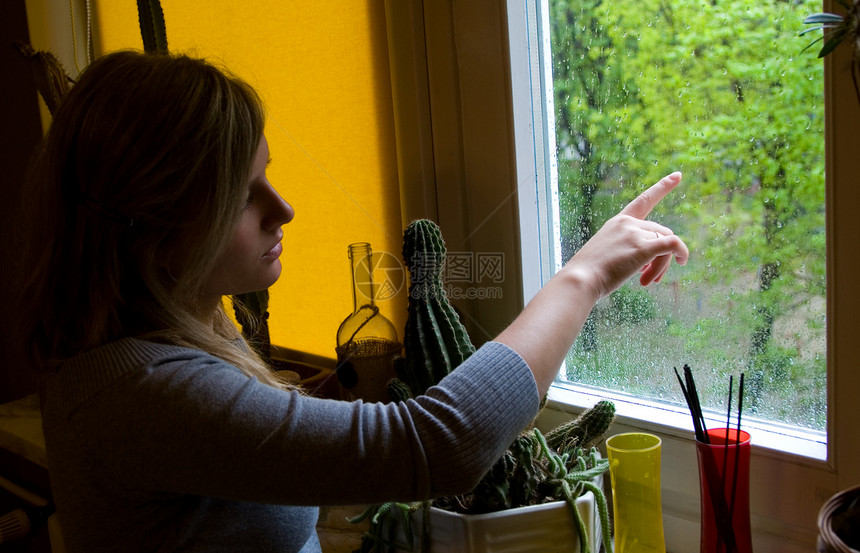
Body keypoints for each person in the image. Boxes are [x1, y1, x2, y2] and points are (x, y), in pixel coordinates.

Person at [17, 50, 688, 553]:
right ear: (153, 226)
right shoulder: (139, 393)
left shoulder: (152, 350)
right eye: (241, 194)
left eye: (267, 173)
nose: (282, 208)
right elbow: (439, 444)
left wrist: (323, 404)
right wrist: (585, 275)